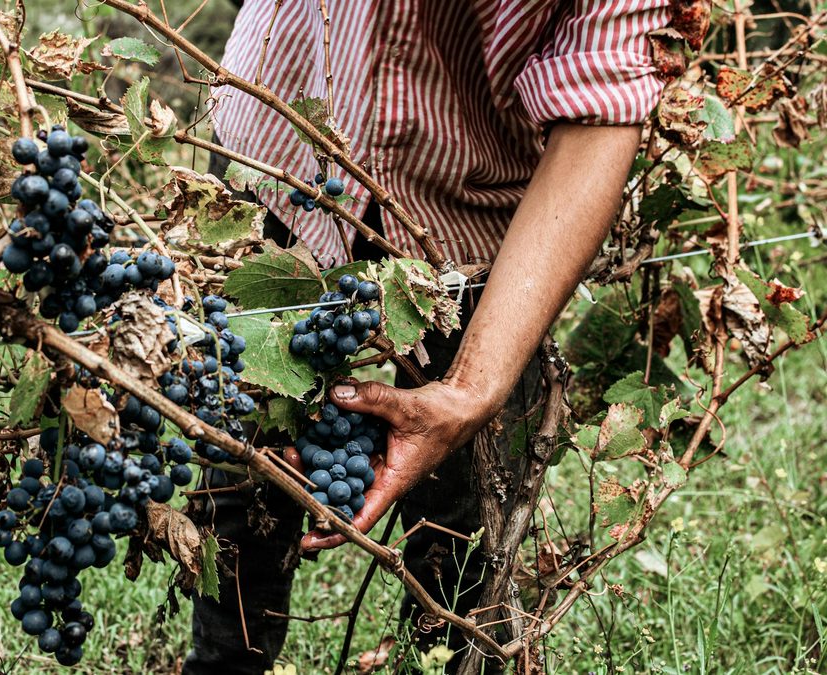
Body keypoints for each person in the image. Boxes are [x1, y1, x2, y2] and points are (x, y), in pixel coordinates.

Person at [183, 1, 672, 673]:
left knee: (460, 553)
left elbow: (600, 110)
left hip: (470, 243)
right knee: (243, 493)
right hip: (273, 167)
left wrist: (472, 386)